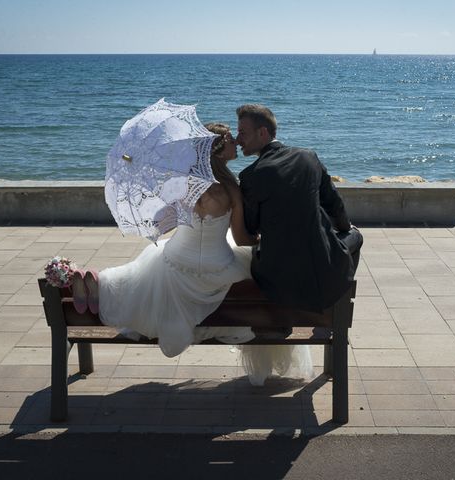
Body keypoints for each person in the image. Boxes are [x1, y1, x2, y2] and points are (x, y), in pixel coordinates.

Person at [72, 123, 313, 384]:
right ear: (219, 151)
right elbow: (242, 238)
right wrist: (260, 238)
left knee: (133, 277)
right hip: (217, 267)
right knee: (256, 273)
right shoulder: (232, 189)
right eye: (231, 140)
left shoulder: (182, 182)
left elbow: (165, 219)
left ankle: (99, 282)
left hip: (175, 260)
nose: (236, 144)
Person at [236, 104, 363, 313]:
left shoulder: (250, 176)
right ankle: (338, 300)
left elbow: (251, 227)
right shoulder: (308, 157)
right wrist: (345, 228)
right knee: (355, 236)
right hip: (320, 268)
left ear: (262, 132)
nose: (238, 139)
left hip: (275, 279)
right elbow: (334, 204)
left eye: (242, 132)